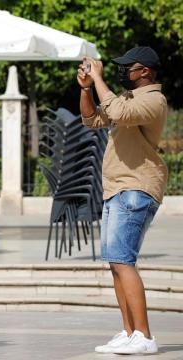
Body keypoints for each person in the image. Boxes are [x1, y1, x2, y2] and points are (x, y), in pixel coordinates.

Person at [78, 46, 167, 355]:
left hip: (136, 187)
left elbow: (115, 112)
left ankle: (144, 335)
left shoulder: (153, 100)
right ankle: (130, 332)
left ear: (145, 71)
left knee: (123, 261)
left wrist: (100, 79)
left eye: (129, 67)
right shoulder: (127, 99)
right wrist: (87, 89)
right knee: (116, 263)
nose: (123, 71)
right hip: (118, 188)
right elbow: (91, 119)